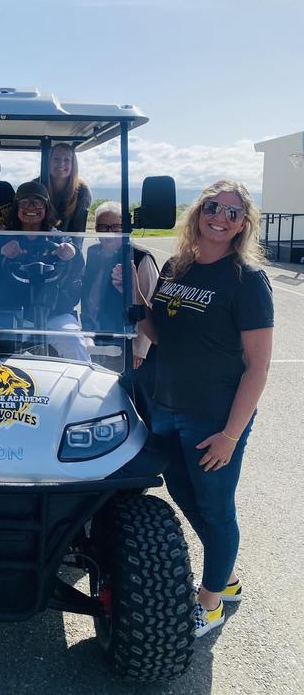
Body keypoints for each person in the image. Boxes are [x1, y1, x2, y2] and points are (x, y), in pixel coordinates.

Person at [135, 181, 273, 637]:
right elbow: (161, 335)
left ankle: (210, 603)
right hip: (168, 407)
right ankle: (226, 576)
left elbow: (257, 367)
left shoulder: (246, 280)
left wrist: (231, 435)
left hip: (213, 417)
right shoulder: (178, 267)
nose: (220, 216)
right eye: (212, 207)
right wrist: (137, 300)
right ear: (197, 213)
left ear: (243, 225)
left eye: (233, 212)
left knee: (215, 509)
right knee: (181, 491)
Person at [0, 182, 87, 361]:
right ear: (16, 207)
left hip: (55, 313)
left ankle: (81, 389)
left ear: (46, 207)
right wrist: (2, 255)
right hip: (16, 315)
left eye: (38, 203)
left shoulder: (58, 237)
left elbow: (76, 267)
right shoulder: (2, 239)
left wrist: (71, 253)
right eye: (24, 203)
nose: (31, 208)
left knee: (74, 342)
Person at [82, 201, 159, 368]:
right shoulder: (94, 252)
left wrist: (138, 349)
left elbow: (149, 304)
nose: (109, 233)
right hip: (97, 337)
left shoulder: (141, 258)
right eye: (103, 227)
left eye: (116, 227)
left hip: (126, 344)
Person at [38, 143, 91, 233]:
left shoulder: (82, 191)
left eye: (66, 160)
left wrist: (70, 247)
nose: (61, 164)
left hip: (68, 245)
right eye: (56, 159)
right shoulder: (36, 186)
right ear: (48, 162)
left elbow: (78, 231)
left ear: (73, 164)